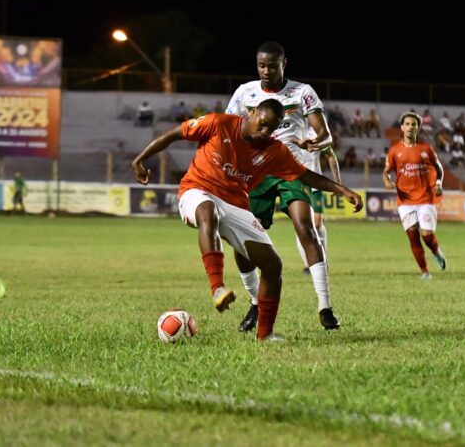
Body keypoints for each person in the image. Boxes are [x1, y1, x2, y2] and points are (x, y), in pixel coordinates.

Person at [131, 100, 362, 341]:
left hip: (235, 204)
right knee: (207, 211)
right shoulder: (218, 123)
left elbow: (305, 175)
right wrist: (139, 160)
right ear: (251, 113)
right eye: (262, 124)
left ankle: (265, 334)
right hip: (197, 190)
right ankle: (217, 288)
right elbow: (173, 134)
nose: (264, 132)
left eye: (270, 129)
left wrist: (342, 189)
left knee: (273, 265)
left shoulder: (274, 150)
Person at [226, 41, 342, 332]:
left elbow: (325, 135)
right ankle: (254, 303)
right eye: (261, 65)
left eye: (272, 65)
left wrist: (316, 142)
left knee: (306, 228)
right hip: (257, 174)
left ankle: (325, 307)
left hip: (292, 170)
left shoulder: (302, 93)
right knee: (244, 242)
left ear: (284, 64)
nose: (266, 71)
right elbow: (231, 130)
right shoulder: (245, 92)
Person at [382, 112, 447, 280]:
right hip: (405, 201)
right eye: (408, 124)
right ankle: (425, 272)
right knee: (412, 235)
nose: (411, 127)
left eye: (414, 124)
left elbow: (439, 169)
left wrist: (439, 184)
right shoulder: (395, 150)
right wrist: (388, 182)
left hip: (425, 198)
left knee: (427, 236)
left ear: (418, 128)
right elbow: (386, 172)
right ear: (402, 127)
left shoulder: (426, 149)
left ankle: (436, 252)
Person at [298, 130, 342, 276]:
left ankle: (322, 258)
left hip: (315, 183)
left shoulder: (315, 133)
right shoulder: (289, 129)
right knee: (302, 224)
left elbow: (331, 156)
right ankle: (307, 263)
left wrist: (337, 181)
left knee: (316, 222)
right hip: (297, 184)